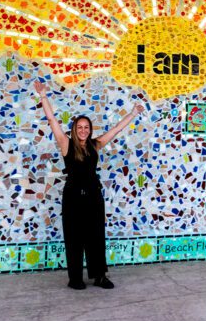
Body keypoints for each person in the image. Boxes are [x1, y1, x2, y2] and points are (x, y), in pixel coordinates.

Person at [34, 80, 143, 290]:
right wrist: (44, 96)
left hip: (94, 196)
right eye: (80, 127)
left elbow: (117, 130)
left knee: (95, 237)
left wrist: (132, 114)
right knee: (74, 238)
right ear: (74, 129)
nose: (83, 130)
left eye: (86, 127)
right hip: (73, 197)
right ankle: (75, 278)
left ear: (90, 130)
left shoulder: (96, 144)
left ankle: (99, 276)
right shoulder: (65, 143)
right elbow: (51, 119)